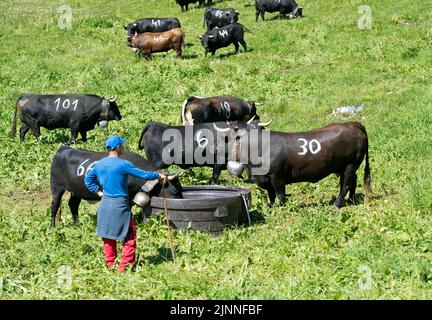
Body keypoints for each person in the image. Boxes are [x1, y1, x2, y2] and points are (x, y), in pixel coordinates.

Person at [84, 135, 167, 272]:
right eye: (121, 145)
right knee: (129, 236)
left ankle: (110, 265)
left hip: (105, 205)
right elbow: (144, 175)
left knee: (108, 236)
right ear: (117, 147)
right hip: (120, 206)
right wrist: (158, 176)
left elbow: (88, 180)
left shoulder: (99, 164)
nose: (123, 146)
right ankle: (125, 267)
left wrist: (99, 193)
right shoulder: (123, 164)